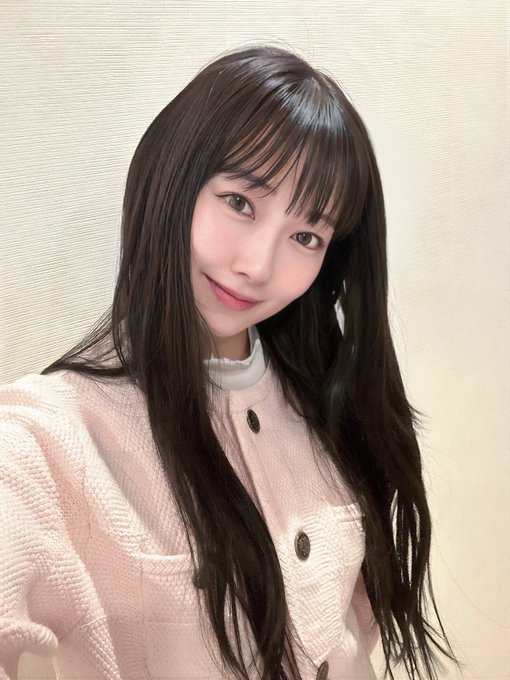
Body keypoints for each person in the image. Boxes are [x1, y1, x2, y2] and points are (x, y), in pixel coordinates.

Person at [0, 46, 458, 680]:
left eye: (306, 237)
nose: (258, 266)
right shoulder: (43, 440)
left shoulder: (330, 414)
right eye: (240, 202)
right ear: (174, 179)